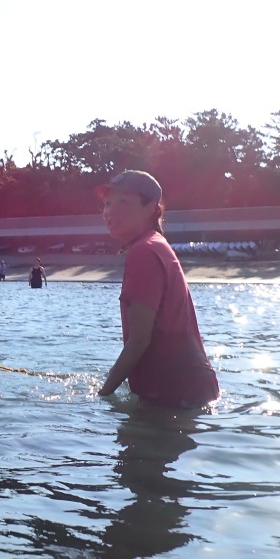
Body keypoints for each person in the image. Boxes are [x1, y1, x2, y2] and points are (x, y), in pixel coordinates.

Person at [96, 170, 219, 408]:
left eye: (123, 202)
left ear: (151, 208)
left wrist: (102, 394)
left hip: (174, 395)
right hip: (187, 390)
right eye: (107, 203)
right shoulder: (155, 244)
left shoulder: (144, 251)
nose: (110, 211)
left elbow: (139, 339)